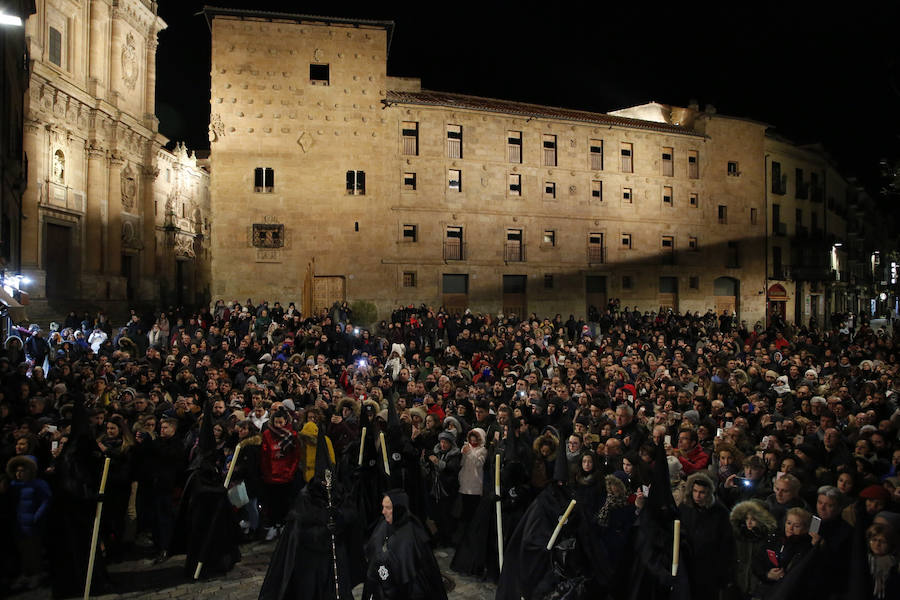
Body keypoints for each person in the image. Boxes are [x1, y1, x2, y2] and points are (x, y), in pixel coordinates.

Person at [362, 490, 447, 600]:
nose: (383, 512)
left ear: (399, 509)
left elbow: (409, 570)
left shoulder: (412, 533)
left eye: (388, 508)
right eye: (383, 507)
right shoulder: (383, 525)